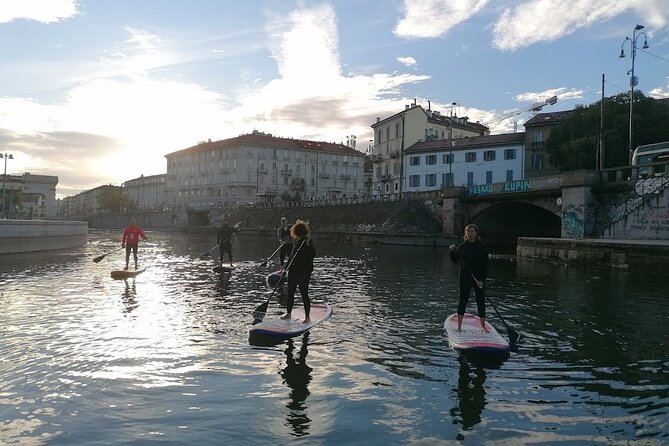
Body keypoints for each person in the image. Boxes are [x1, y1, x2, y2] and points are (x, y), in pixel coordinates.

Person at [449, 223, 489, 332]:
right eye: (468, 231)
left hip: (478, 279)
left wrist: (482, 280)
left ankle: (483, 326)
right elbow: (455, 260)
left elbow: (485, 265)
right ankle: (459, 326)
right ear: (465, 234)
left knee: (480, 301)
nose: (470, 233)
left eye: (472, 231)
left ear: (476, 233)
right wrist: (452, 251)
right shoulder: (462, 246)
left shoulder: (482, 247)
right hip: (465, 277)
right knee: (463, 300)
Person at [281, 220, 316, 323]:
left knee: (304, 293)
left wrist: (310, 245)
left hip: (304, 272)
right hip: (294, 271)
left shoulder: (307, 242)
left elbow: (313, 255)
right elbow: (292, 257)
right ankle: (288, 313)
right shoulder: (297, 242)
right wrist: (285, 269)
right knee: (290, 292)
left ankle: (307, 317)